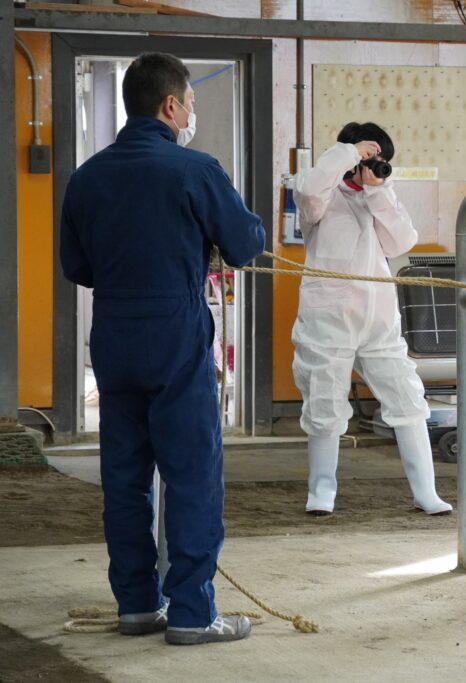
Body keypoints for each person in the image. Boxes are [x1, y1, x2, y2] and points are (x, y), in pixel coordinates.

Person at [60, 52, 265, 646]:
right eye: (192, 103)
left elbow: (77, 266)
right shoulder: (194, 169)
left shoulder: (87, 176)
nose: (191, 113)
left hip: (115, 335)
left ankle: (136, 607)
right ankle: (193, 614)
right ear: (171, 105)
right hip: (174, 330)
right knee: (192, 472)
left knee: (124, 477)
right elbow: (246, 244)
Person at [291, 122, 452, 517]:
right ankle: (321, 491)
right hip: (328, 318)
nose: (373, 167)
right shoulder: (322, 196)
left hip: (378, 321)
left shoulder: (380, 195)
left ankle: (425, 492)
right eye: (369, 157)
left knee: (407, 398)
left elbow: (401, 241)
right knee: (325, 400)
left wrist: (378, 192)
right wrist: (349, 152)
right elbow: (310, 190)